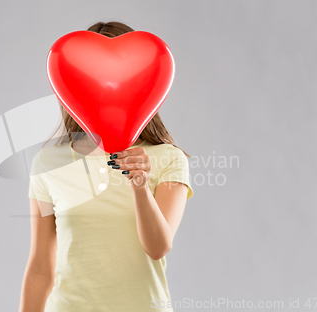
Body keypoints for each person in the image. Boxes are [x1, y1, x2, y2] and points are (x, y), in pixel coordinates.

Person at [19, 21, 193, 312]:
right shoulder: (47, 164)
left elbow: (158, 247)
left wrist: (140, 187)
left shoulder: (168, 159)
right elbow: (40, 266)